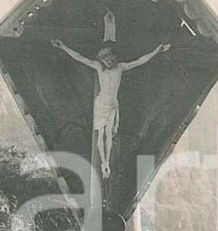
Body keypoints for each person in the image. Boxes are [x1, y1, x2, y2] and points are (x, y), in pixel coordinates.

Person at [49, 36, 170, 179]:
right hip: (101, 104)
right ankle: (104, 162)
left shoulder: (120, 67)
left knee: (109, 135)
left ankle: (107, 163)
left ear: (113, 58)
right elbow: (79, 57)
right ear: (102, 61)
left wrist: (157, 50)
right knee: (101, 134)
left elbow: (140, 61)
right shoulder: (99, 68)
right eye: (104, 60)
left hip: (113, 104)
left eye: (109, 59)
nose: (107, 62)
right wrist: (62, 46)